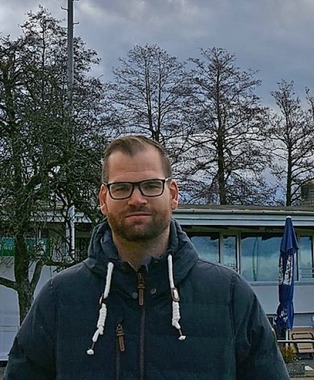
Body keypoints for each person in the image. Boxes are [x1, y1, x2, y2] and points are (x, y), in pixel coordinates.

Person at [5, 135, 289, 379]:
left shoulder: (229, 295)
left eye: (151, 185)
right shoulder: (60, 298)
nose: (136, 199)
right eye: (122, 188)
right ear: (103, 199)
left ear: (173, 194)